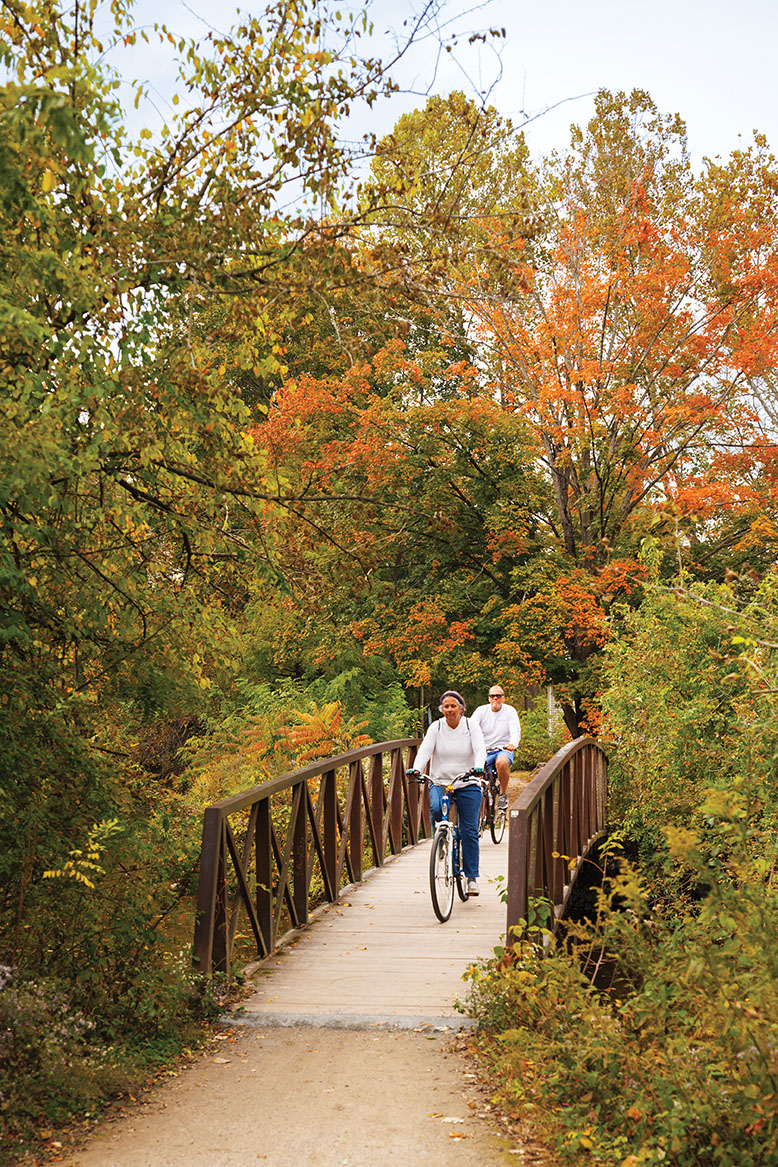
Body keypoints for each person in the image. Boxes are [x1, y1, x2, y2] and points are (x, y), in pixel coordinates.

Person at [408, 690, 486, 897]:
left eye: (453, 706)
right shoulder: (436, 727)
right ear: (441, 709)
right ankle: (441, 839)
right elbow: (425, 750)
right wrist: (417, 768)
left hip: (467, 781)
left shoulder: (471, 726)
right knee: (435, 810)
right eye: (446, 706)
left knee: (469, 830)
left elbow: (480, 749)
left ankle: (471, 878)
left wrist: (478, 766)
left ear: (461, 708)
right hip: (440, 781)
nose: (449, 710)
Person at [471, 685, 521, 812]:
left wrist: (513, 743)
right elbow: (471, 728)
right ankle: (479, 808)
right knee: (476, 773)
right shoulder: (481, 711)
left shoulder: (510, 711)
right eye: (492, 696)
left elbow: (515, 731)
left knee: (502, 762)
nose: (495, 698)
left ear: (503, 698)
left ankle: (503, 794)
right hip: (484, 749)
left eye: (498, 696)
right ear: (489, 698)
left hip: (503, 748)